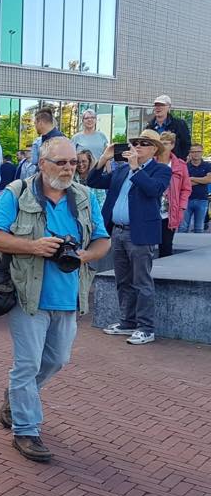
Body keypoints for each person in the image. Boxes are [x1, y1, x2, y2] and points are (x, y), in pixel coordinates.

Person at [0, 137, 110, 462]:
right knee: (27, 364)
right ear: (43, 164)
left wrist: (83, 256)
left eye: (73, 163)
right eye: (61, 163)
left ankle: (16, 398)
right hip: (28, 295)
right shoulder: (17, 192)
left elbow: (102, 241)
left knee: (55, 360)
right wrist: (34, 247)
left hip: (68, 298)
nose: (69, 169)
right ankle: (26, 430)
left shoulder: (83, 197)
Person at [87, 130, 172, 346]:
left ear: (154, 149)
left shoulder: (160, 170)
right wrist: (105, 157)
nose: (137, 146)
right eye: (135, 143)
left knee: (141, 281)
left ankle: (146, 328)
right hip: (118, 231)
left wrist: (136, 168)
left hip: (140, 234)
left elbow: (153, 190)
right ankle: (127, 321)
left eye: (144, 143)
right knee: (122, 280)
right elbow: (93, 181)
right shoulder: (122, 169)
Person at [156, 131, 191, 258]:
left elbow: (186, 189)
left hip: (170, 211)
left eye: (165, 143)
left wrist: (181, 208)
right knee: (146, 246)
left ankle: (164, 276)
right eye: (160, 143)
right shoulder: (152, 162)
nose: (162, 146)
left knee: (166, 246)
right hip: (152, 209)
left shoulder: (180, 165)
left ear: (172, 145)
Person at [148, 95, 191, 160]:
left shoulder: (179, 125)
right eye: (156, 105)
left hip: (173, 163)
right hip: (154, 163)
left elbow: (186, 144)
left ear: (169, 107)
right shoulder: (149, 127)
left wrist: (179, 159)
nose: (158, 108)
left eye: (161, 105)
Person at [182, 144, 211, 233]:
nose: (196, 154)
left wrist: (191, 178)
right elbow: (183, 183)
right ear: (190, 153)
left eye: (198, 151)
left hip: (202, 200)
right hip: (186, 199)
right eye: (193, 152)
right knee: (183, 227)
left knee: (199, 228)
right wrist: (202, 180)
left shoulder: (208, 165)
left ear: (202, 152)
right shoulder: (184, 166)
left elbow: (209, 180)